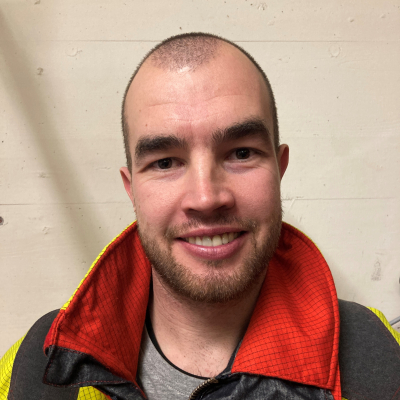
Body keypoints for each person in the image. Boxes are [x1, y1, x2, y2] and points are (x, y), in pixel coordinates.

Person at [1, 33, 399, 400]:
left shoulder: (379, 359)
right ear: (131, 188)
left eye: (241, 153)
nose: (206, 198)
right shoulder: (33, 367)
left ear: (280, 169)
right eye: (165, 162)